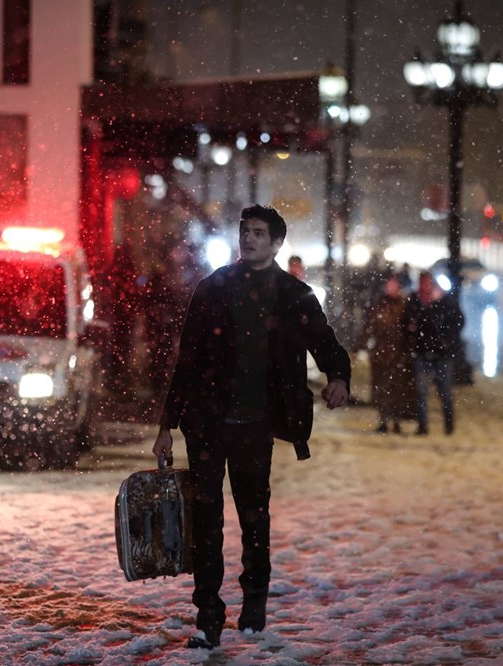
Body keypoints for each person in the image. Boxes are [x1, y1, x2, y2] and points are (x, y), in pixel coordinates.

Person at [152, 205, 351, 649]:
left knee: (253, 518)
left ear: (277, 243)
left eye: (259, 233)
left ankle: (254, 602)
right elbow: (186, 361)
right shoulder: (212, 289)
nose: (250, 239)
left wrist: (338, 377)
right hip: (207, 424)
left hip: (255, 426)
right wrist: (167, 423)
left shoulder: (294, 295)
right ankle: (208, 615)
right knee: (206, 522)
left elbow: (326, 342)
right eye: (246, 232)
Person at [404, 270, 464, 436]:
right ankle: (423, 426)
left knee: (444, 392)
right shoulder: (416, 300)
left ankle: (448, 425)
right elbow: (407, 322)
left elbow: (457, 321)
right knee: (422, 392)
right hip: (423, 353)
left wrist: (446, 340)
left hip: (441, 354)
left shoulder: (444, 301)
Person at [356, 274, 415, 434]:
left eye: (394, 285)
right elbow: (369, 327)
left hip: (398, 353)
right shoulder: (379, 306)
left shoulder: (404, 306)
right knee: (381, 388)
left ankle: (396, 421)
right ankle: (383, 420)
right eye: (389, 285)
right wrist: (360, 345)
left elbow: (410, 328)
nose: (391, 288)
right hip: (381, 354)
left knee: (397, 388)